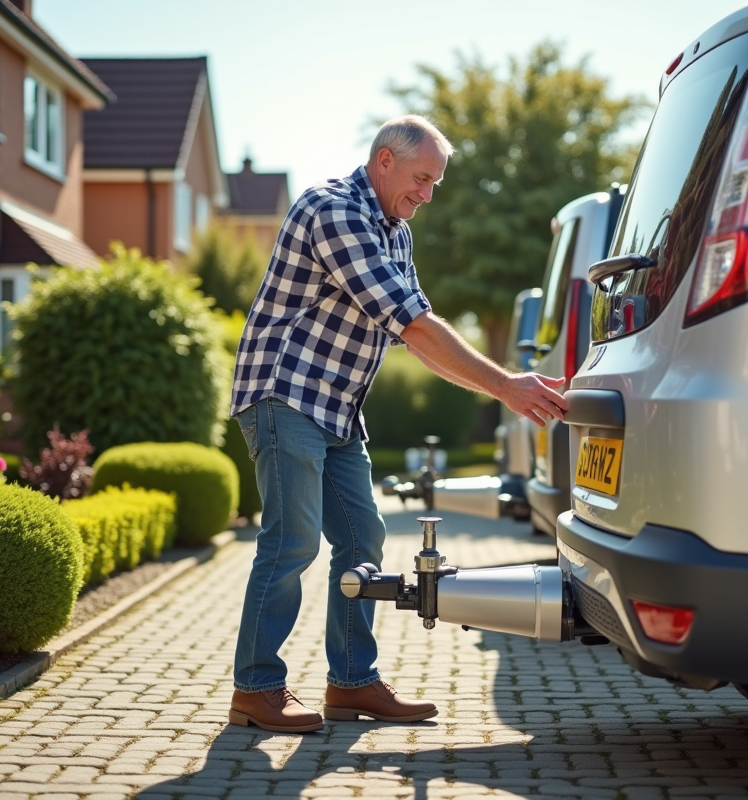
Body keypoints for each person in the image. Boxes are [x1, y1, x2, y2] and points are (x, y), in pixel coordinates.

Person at [227, 115, 568, 733]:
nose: (427, 194)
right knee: (292, 541)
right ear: (384, 160)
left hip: (337, 407)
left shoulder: (396, 234)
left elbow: (416, 339)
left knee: (364, 542)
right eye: (421, 178)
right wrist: (506, 387)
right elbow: (413, 323)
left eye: (435, 182)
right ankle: (255, 688)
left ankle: (351, 681)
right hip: (284, 393)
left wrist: (503, 390)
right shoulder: (333, 211)